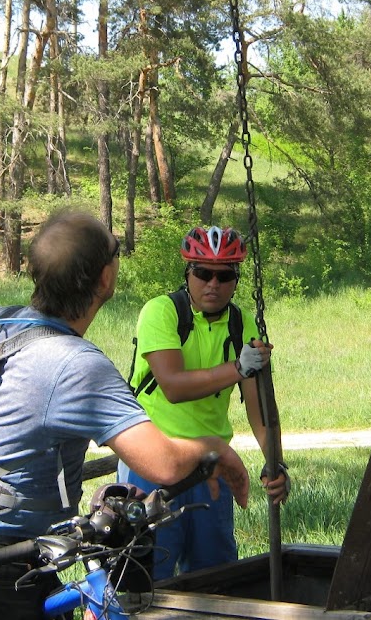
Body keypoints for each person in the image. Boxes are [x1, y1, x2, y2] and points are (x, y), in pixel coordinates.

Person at [0, 210, 250, 620]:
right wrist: (216, 448)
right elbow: (163, 463)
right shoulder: (77, 365)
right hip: (4, 574)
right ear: (105, 278)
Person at [119, 225, 289, 579]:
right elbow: (173, 386)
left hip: (212, 466)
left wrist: (276, 463)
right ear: (188, 273)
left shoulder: (241, 326)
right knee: (149, 576)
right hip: (154, 461)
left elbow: (261, 413)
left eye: (224, 276)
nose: (213, 284)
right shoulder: (161, 312)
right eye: (203, 273)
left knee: (216, 577)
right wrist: (238, 367)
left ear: (236, 280)